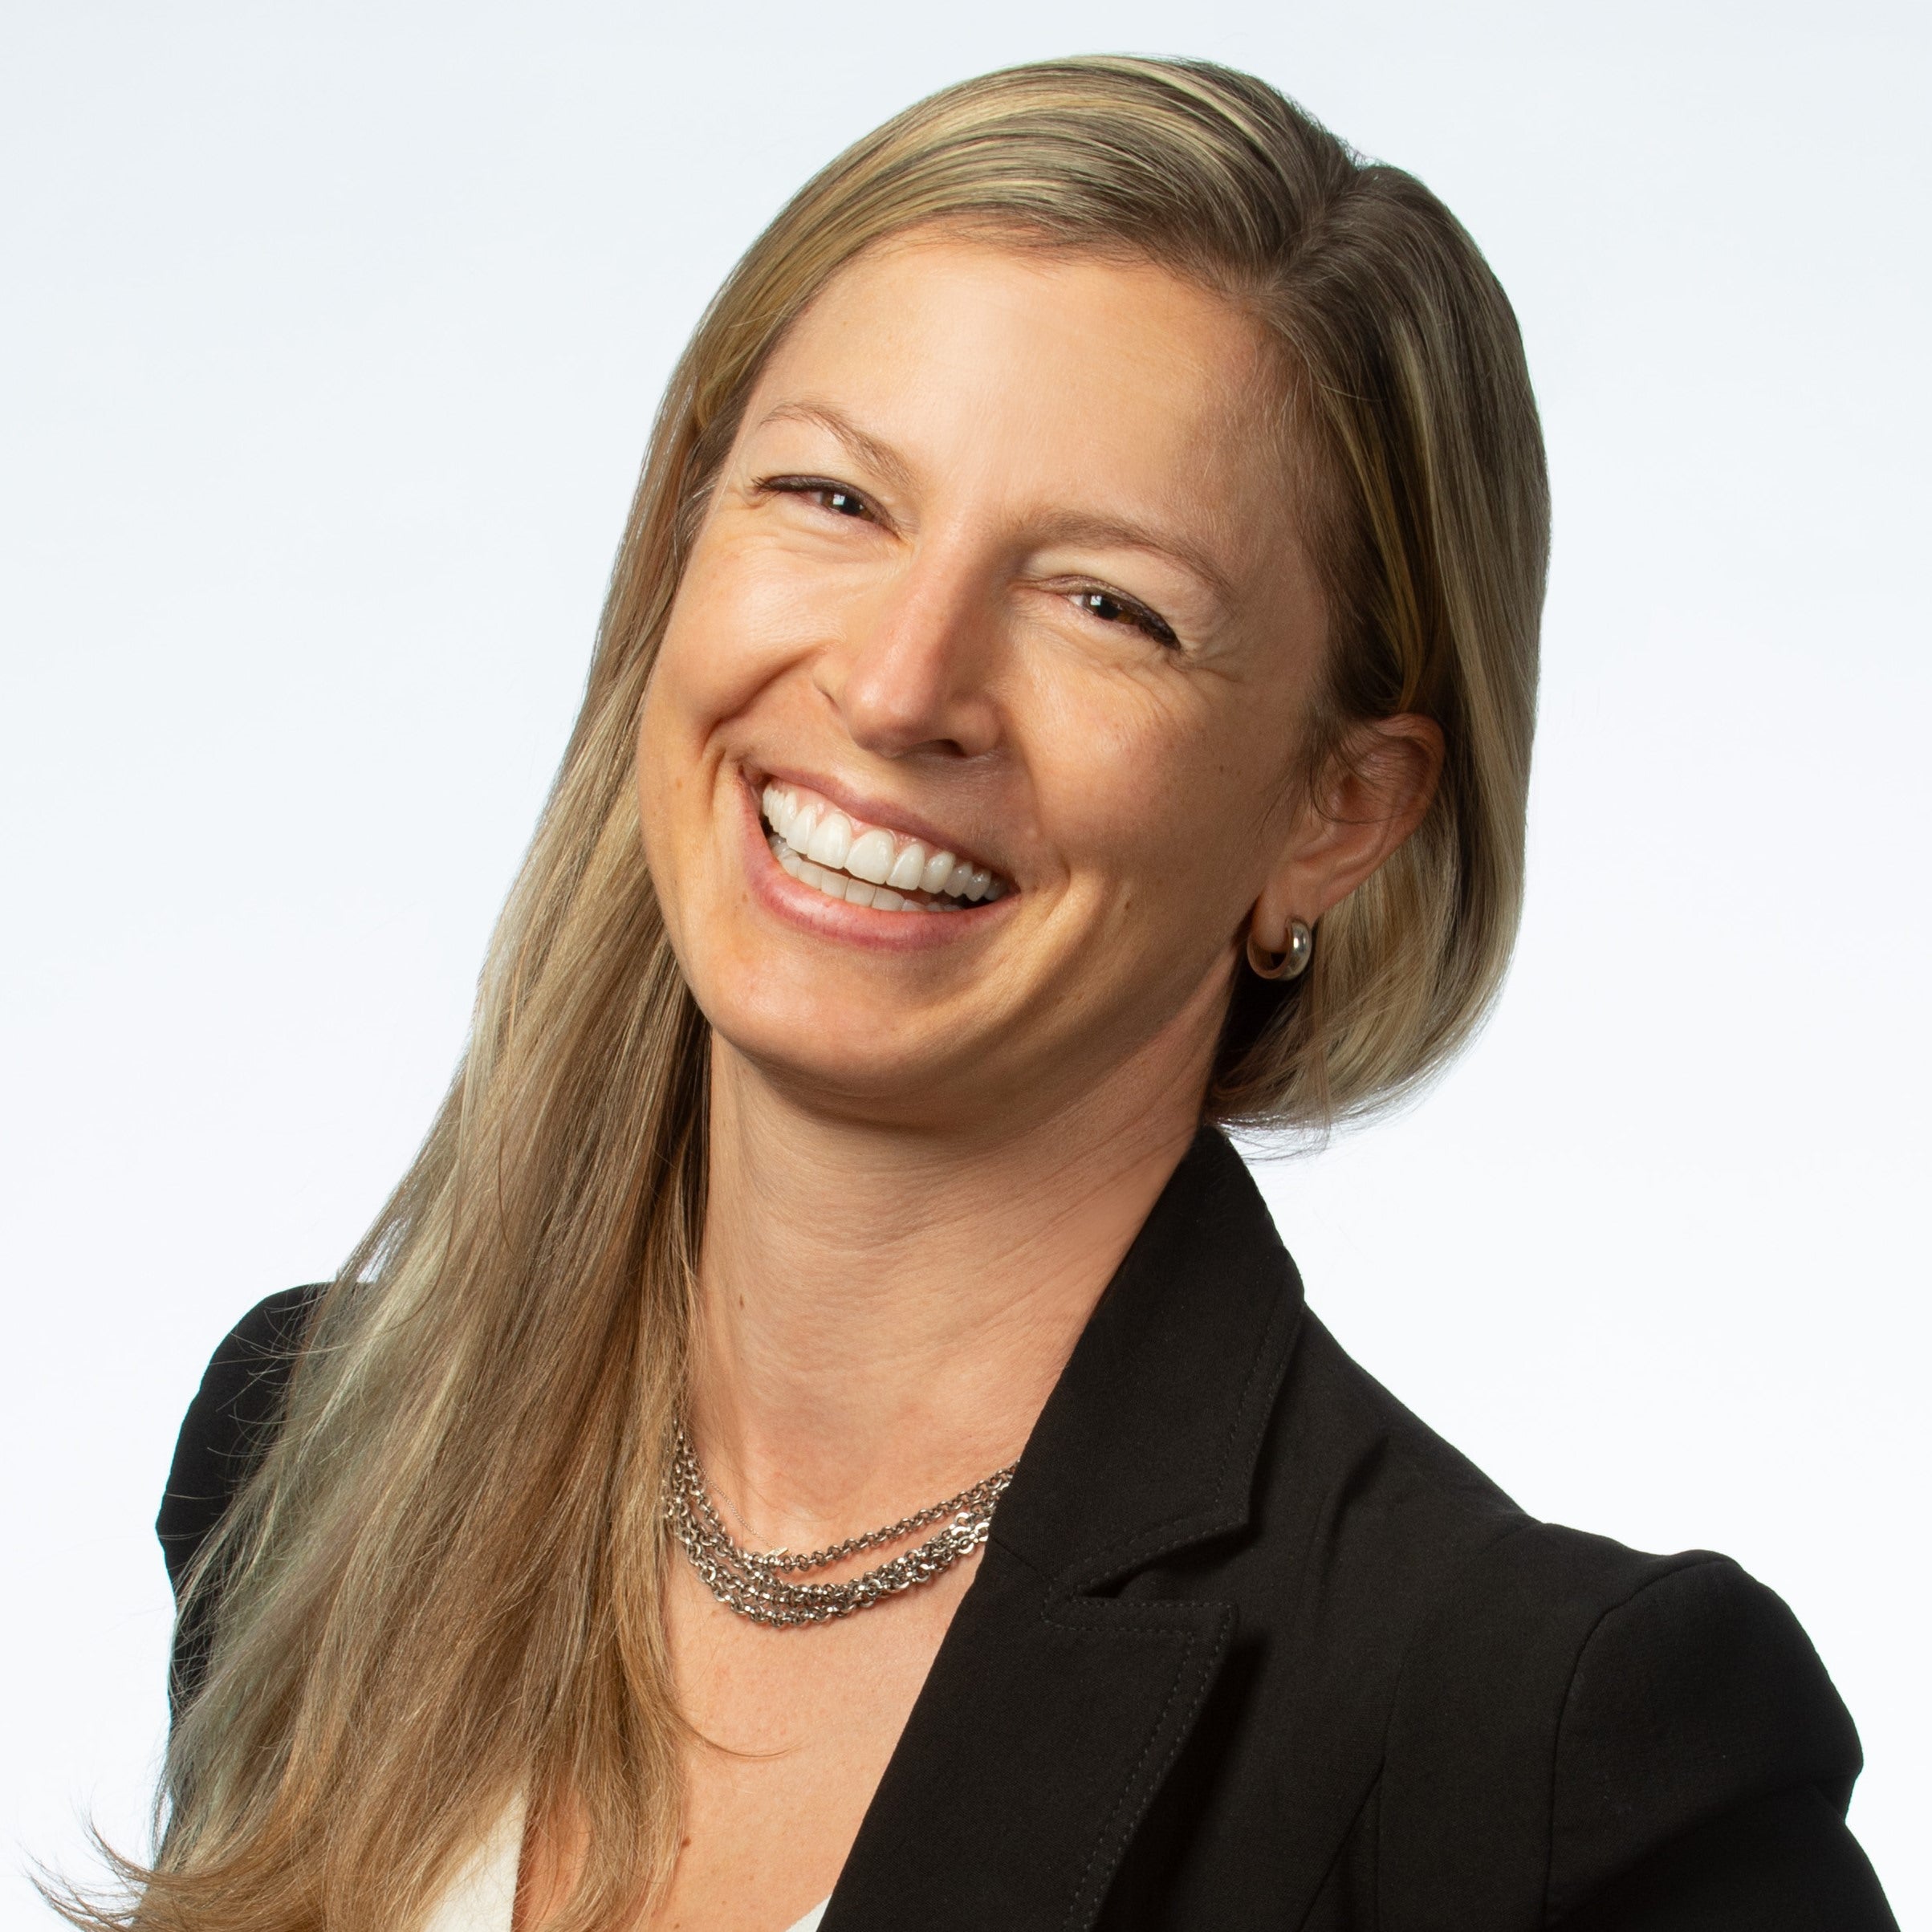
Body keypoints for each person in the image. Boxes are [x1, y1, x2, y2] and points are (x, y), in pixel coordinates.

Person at [84, 55, 1894, 1932]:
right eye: (832, 495)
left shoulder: (1541, 1756)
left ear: (1337, 812)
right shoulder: (308, 1462)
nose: (894, 684)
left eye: (1104, 602)